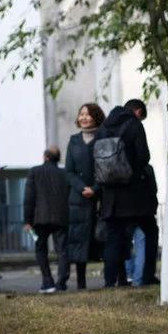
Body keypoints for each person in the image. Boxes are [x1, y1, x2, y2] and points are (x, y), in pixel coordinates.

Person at [98, 99, 159, 288]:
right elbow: (143, 157)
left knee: (114, 238)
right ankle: (147, 276)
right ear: (138, 111)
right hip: (134, 195)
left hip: (110, 195)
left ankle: (110, 281)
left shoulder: (104, 128)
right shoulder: (134, 124)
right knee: (150, 231)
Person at [63, 102, 105, 290]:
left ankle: (112, 278)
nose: (84, 117)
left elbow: (107, 167)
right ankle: (81, 282)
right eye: (81, 114)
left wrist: (95, 189)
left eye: (88, 114)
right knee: (78, 239)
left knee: (102, 238)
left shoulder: (103, 138)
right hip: (78, 199)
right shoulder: (73, 141)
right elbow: (69, 172)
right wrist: (82, 188)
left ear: (96, 116)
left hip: (99, 195)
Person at [23, 146, 70, 293]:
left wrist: (27, 220)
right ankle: (61, 282)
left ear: (45, 157)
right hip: (61, 217)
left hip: (39, 219)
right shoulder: (65, 174)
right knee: (62, 251)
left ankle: (48, 282)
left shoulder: (34, 172)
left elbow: (29, 198)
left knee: (41, 249)